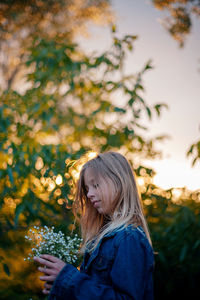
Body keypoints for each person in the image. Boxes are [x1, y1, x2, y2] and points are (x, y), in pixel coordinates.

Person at [34, 151, 154, 300]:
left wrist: (69, 279)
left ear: (119, 182)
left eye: (95, 185)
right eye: (87, 188)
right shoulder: (103, 237)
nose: (89, 194)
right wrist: (62, 286)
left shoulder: (129, 239)